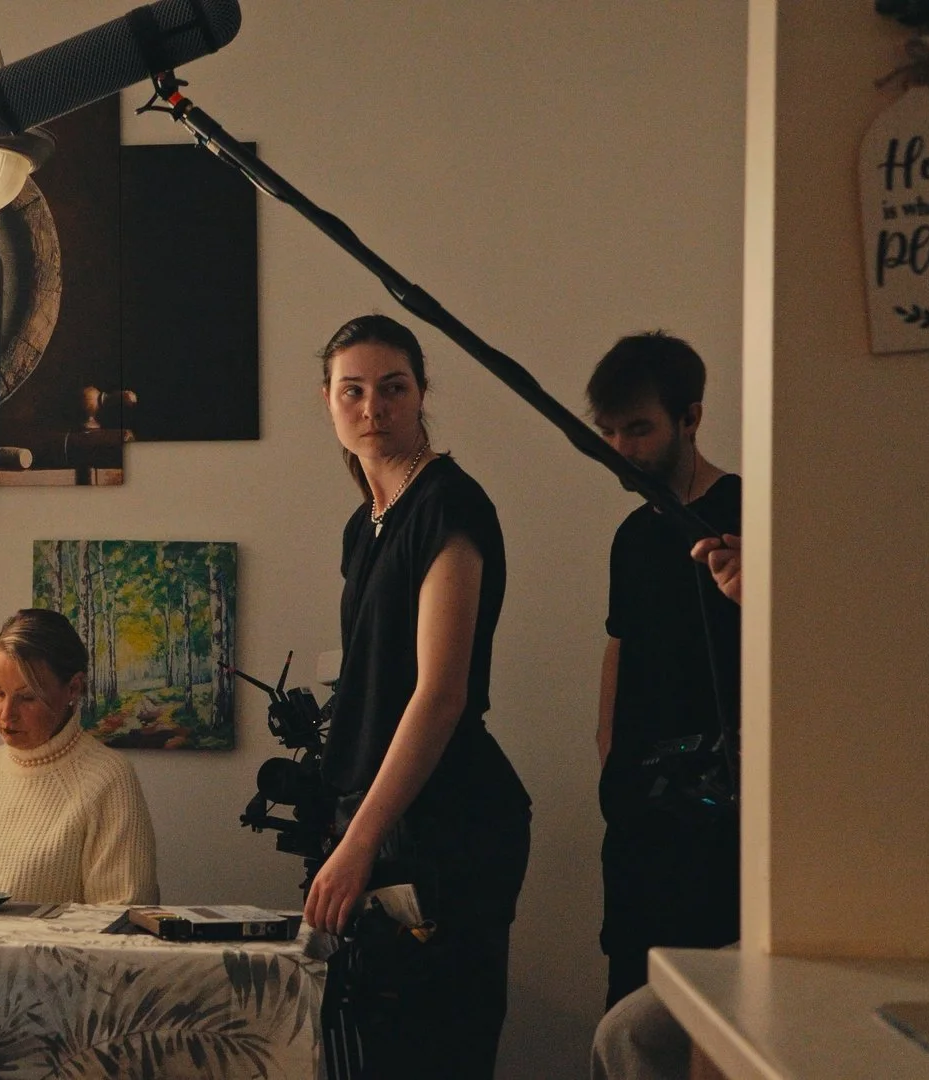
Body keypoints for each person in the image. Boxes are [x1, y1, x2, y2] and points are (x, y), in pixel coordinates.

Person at [306, 314, 532, 1079]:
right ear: (328, 400)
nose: (373, 407)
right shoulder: (365, 524)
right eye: (353, 390)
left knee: (436, 1054)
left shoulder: (448, 505)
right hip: (390, 819)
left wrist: (360, 842)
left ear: (422, 393)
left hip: (448, 823)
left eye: (393, 388)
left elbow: (440, 695)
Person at [589, 331, 742, 1009]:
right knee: (629, 1018)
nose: (621, 450)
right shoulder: (633, 536)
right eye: (609, 432)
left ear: (691, 417)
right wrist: (608, 749)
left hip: (721, 835)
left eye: (639, 429)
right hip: (640, 826)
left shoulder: (749, 516)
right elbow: (620, 643)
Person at [0, 608, 159, 905]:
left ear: (73, 688)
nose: (6, 714)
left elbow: (121, 915)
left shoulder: (109, 780)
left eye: (27, 697)